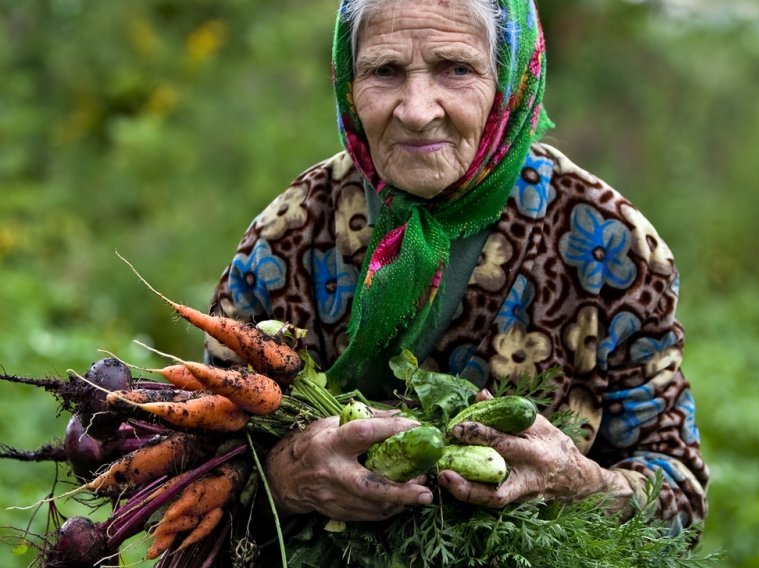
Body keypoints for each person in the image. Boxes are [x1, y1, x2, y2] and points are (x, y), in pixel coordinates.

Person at [206, 0, 708, 535]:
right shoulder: (287, 235)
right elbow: (202, 464)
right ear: (348, 86)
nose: (418, 110)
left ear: (510, 79)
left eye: (457, 68)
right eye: (384, 71)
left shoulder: (609, 244)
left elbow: (679, 496)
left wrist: (575, 482)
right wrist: (285, 478)